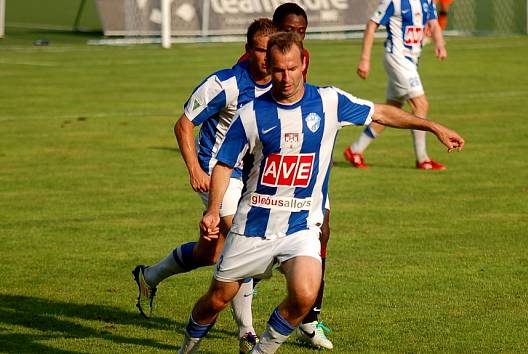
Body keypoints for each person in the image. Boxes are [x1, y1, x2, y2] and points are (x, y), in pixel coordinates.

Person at [177, 31, 464, 354]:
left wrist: (433, 126)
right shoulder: (250, 114)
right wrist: (214, 210)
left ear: (303, 64)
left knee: (305, 293)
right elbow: (224, 165)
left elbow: (382, 112)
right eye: (278, 70)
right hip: (253, 226)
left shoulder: (329, 102)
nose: (286, 77)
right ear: (268, 68)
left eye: (292, 68)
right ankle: (186, 349)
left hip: (301, 226)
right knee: (215, 300)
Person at [132, 18, 277, 353]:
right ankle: (247, 333)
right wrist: (195, 170)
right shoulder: (224, 84)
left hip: (249, 176)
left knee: (210, 251)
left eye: (270, 50)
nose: (266, 58)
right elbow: (183, 125)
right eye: (259, 50)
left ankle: (149, 277)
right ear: (247, 50)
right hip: (215, 172)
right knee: (244, 242)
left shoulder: (277, 86)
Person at [240, 3, 333, 349]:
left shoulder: (300, 55)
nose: (297, 34)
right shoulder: (253, 61)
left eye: (303, 30)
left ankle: (310, 320)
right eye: (290, 28)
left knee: (322, 232)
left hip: (306, 167)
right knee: (254, 252)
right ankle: (245, 320)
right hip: (265, 173)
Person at [345, 0, 448, 170]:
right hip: (397, 58)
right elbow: (372, 25)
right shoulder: (394, 2)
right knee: (421, 104)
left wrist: (440, 44)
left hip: (412, 61)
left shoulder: (427, 1)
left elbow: (434, 24)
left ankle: (355, 150)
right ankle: (423, 159)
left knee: (391, 109)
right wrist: (365, 59)